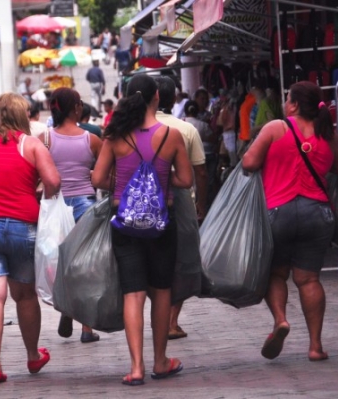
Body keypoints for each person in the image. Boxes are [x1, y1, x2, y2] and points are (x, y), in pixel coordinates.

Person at [91, 74, 193, 385]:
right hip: (162, 223)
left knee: (132, 294)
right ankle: (160, 361)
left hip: (125, 222)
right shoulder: (171, 135)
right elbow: (186, 180)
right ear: (157, 99)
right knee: (161, 291)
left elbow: (97, 180)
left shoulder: (115, 136)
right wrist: (158, 181)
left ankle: (136, 368)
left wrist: (126, 185)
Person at [242, 81, 338, 362]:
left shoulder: (275, 128)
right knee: (309, 278)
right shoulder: (328, 133)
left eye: (287, 98)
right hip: (318, 214)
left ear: (295, 104)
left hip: (279, 212)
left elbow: (249, 163)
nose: (284, 102)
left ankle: (280, 320)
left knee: (276, 273)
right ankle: (315, 346)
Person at [0, 92, 60, 384]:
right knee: (25, 295)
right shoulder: (31, 145)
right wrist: (35, 191)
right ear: (22, 115)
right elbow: (54, 183)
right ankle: (33, 355)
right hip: (23, 229)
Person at [39, 88, 103, 344]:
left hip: (55, 206)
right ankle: (87, 327)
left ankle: (66, 306)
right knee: (86, 266)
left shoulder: (44, 139)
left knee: (59, 262)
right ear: (76, 108)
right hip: (85, 206)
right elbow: (107, 171)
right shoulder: (92, 139)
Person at [155, 77, 207, 340]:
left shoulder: (137, 127)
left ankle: (157, 318)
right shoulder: (185, 130)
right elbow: (199, 171)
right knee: (183, 260)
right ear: (174, 99)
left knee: (155, 261)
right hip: (183, 201)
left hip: (146, 203)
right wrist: (202, 204)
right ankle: (172, 322)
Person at [185, 100, 218, 210]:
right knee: (206, 181)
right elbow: (212, 138)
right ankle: (205, 205)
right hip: (205, 156)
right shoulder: (202, 125)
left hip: (187, 158)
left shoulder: (180, 123)